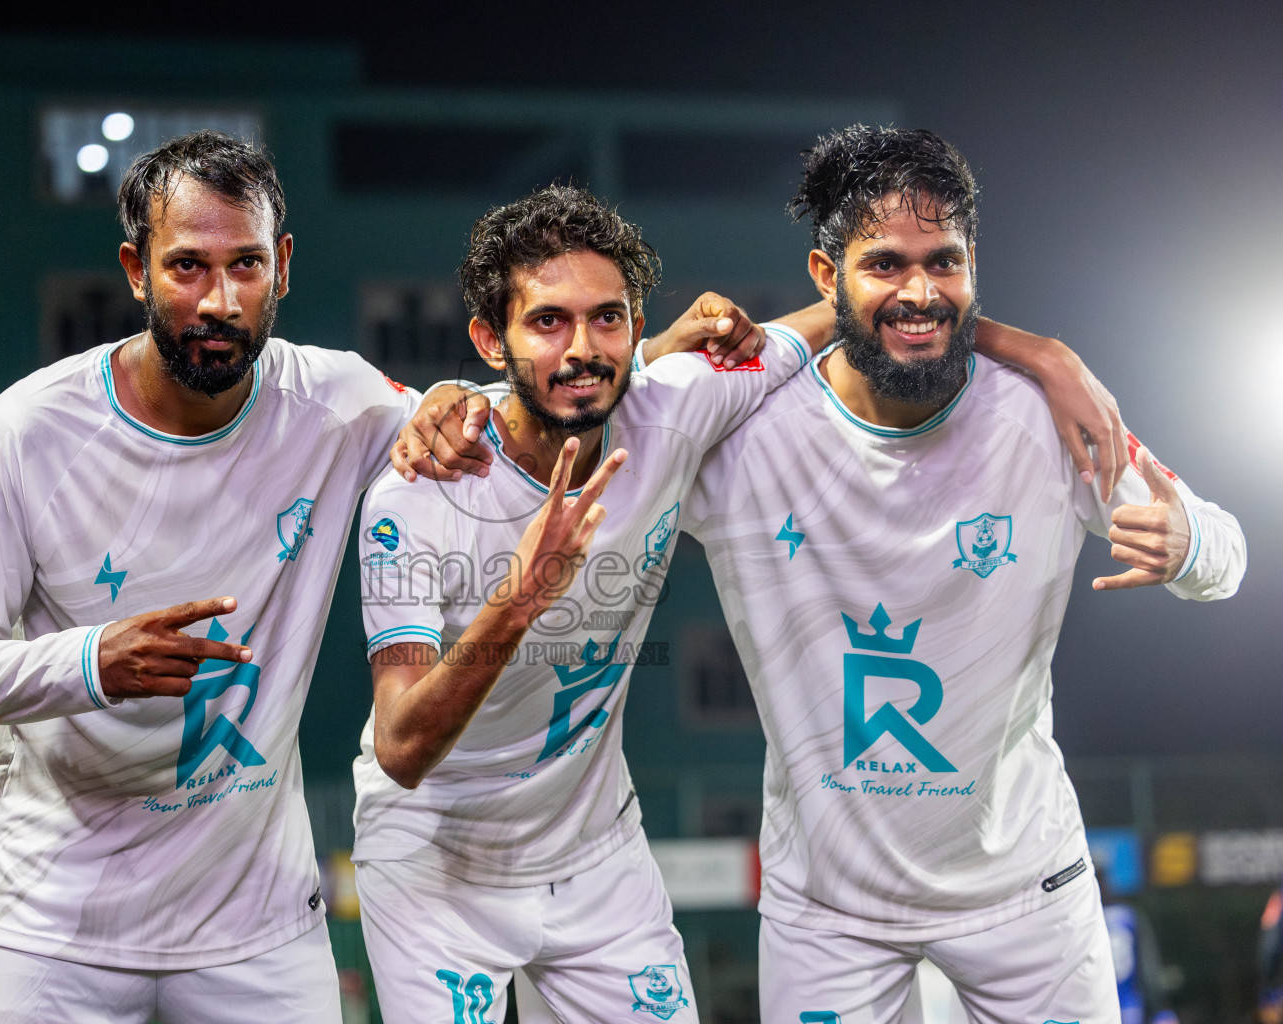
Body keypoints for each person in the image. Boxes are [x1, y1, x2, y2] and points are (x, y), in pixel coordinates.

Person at [354, 184, 1125, 1023]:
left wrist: (1042, 352)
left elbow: (855, 310)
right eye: (547, 322)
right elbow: (399, 747)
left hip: (593, 850)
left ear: (640, 327)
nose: (583, 348)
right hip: (437, 858)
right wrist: (520, 600)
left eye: (608, 318)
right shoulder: (417, 493)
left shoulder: (674, 408)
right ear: (487, 341)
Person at [0, 130, 469, 1024]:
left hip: (261, 927)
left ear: (282, 265)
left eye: (245, 265)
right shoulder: (28, 433)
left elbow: (517, 420)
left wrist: (452, 399)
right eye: (187, 268)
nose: (219, 300)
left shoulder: (340, 404)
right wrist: (91, 663)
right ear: (135, 270)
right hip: (57, 928)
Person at [680, 125, 1247, 1021]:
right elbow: (582, 410)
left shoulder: (1050, 416)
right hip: (830, 912)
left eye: (944, 262)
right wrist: (446, 406)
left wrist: (1191, 549)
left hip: (1025, 895)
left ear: (975, 264)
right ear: (827, 280)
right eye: (884, 266)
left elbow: (1227, 552)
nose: (919, 293)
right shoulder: (747, 432)